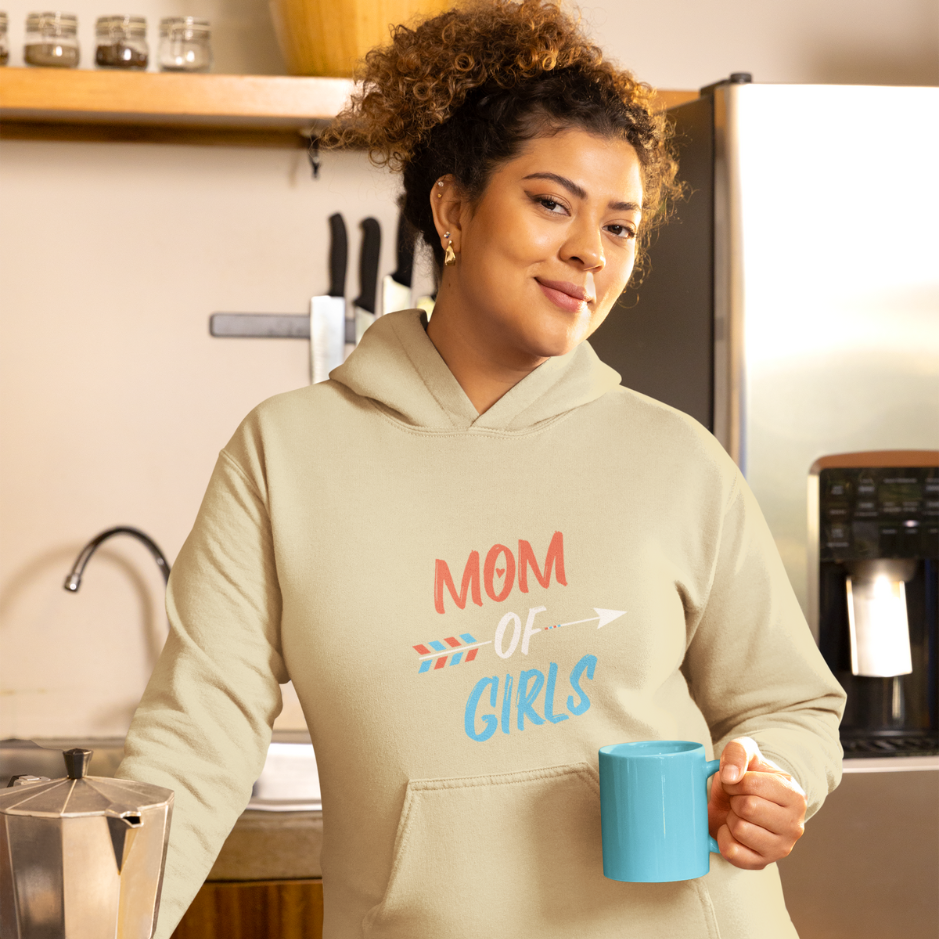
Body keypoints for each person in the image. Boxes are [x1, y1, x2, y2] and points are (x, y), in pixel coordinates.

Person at [116, 2, 846, 937]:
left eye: (620, 227)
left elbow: (787, 701)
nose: (590, 250)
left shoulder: (675, 458)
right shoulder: (285, 456)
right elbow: (195, 736)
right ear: (454, 208)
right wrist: (108, 910)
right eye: (552, 203)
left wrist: (770, 775)